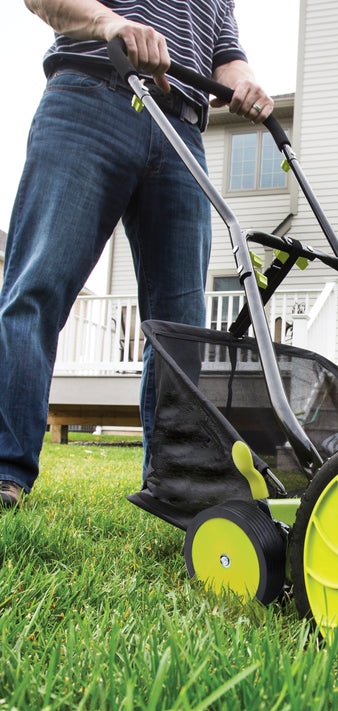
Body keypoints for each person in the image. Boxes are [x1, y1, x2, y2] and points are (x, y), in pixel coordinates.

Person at [0, 0, 273, 508]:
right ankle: (5, 470)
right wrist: (111, 23)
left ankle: (176, 484)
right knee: (38, 287)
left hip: (182, 131)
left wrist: (248, 80)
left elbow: (226, 57)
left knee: (181, 330)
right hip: (91, 94)